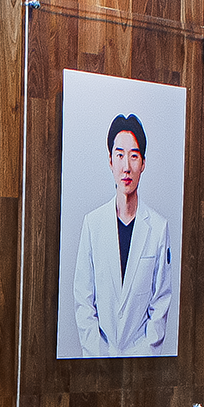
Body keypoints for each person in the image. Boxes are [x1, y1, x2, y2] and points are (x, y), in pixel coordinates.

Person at [72, 113, 174, 357]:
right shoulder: (92, 224)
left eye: (134, 156)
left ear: (143, 163)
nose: (126, 166)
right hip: (98, 358)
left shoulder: (158, 228)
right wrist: (99, 357)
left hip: (142, 359)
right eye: (119, 155)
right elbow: (83, 299)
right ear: (110, 160)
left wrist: (143, 356)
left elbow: (160, 301)